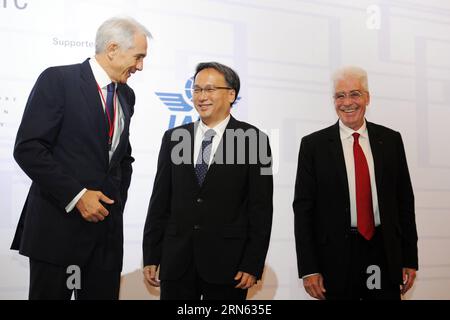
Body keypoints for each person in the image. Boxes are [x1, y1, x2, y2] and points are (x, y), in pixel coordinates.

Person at [11, 16, 151, 300]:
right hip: (57, 233)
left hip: (106, 239)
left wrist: (116, 204)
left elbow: (122, 158)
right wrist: (77, 195)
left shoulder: (127, 95)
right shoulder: (58, 80)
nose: (140, 66)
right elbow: (29, 148)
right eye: (138, 57)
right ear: (112, 49)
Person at [142, 62, 273, 300]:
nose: (202, 97)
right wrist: (151, 254)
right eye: (197, 90)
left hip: (229, 266)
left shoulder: (254, 140)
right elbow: (159, 201)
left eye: (210, 89)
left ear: (231, 94)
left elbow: (261, 209)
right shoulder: (174, 138)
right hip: (176, 262)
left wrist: (252, 263)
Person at [293, 66, 418, 300]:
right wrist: (309, 268)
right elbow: (303, 210)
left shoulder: (391, 140)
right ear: (333, 100)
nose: (347, 102)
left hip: (383, 251)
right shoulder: (313, 146)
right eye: (340, 95)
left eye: (355, 94)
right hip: (335, 256)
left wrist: (409, 258)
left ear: (367, 98)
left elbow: (404, 203)